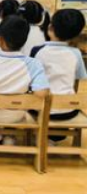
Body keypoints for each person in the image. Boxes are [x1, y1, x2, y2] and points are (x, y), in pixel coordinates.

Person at [0, 16, 49, 145]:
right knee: (21, 110)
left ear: (0, 39)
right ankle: (8, 135)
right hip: (17, 114)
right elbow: (42, 93)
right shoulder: (33, 64)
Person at [32, 9, 87, 138]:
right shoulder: (76, 53)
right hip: (67, 109)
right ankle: (56, 138)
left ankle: (41, 137)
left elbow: (31, 78)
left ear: (50, 27)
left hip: (40, 108)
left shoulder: (37, 51)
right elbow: (80, 77)